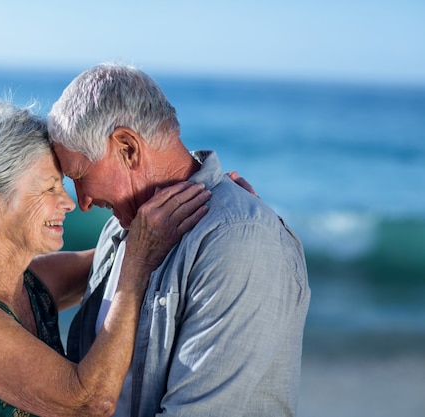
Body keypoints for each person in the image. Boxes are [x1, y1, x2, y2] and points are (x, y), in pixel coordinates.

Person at [0, 92, 211, 417]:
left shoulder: (28, 282)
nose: (69, 202)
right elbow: (90, 402)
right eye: (49, 188)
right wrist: (137, 264)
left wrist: (211, 201)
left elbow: (134, 251)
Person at [47, 63, 311, 417]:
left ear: (128, 148)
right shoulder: (122, 231)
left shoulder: (239, 241)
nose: (82, 202)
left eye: (80, 176)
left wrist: (241, 221)